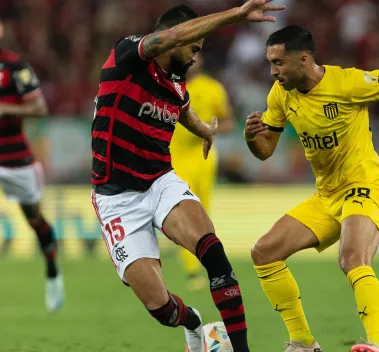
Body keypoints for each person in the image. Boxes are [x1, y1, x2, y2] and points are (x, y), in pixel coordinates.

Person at [90, 2, 285, 351]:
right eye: (194, 48)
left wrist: (204, 132)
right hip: (116, 198)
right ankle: (195, 323)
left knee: (212, 251)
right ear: (176, 39)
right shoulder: (128, 56)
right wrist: (236, 15)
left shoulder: (177, 83)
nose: (195, 57)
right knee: (159, 307)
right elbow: (177, 35)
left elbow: (181, 110)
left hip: (160, 182)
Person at [244, 26, 379, 352]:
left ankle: (376, 345)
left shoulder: (347, 82)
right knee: (263, 253)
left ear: (304, 59)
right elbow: (266, 151)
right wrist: (253, 138)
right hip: (326, 196)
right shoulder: (281, 95)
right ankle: (303, 343)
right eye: (270, 63)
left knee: (352, 259)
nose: (272, 71)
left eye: (278, 63)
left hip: (364, 185)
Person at [0, 20, 64, 311]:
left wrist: (5, 109)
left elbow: (39, 108)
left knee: (34, 218)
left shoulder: (16, 68)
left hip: (15, 159)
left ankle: (52, 269)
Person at [171, 54, 234, 291]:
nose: (194, 59)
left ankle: (209, 267)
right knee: (184, 214)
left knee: (203, 215)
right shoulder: (168, 85)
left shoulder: (213, 89)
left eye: (197, 55)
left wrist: (208, 128)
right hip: (176, 159)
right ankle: (191, 270)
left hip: (205, 160)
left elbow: (228, 122)